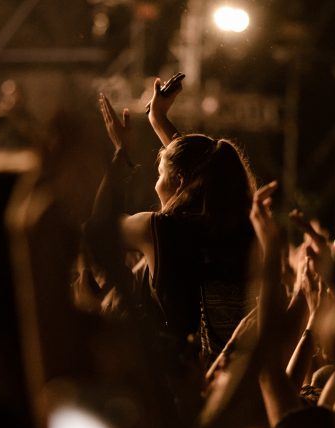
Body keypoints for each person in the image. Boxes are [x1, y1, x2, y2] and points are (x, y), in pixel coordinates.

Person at [88, 76, 258, 366]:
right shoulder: (244, 228)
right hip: (231, 378)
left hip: (176, 383)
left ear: (179, 182)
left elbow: (101, 227)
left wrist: (122, 154)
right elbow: (205, 171)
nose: (156, 184)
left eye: (159, 176)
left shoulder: (158, 230)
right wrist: (158, 120)